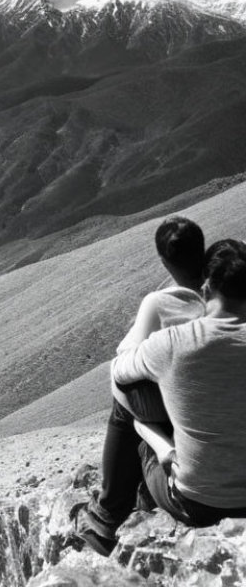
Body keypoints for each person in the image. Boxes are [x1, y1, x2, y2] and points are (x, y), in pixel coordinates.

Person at [74, 217, 207, 554]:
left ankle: (106, 518)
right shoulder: (225, 295)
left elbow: (126, 361)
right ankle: (142, 495)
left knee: (126, 402)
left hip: (198, 487)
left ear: (164, 261)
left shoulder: (159, 303)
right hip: (216, 411)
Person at [110, 239, 246, 527]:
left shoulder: (172, 343)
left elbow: (119, 372)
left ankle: (110, 517)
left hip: (197, 504)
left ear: (205, 290)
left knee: (129, 397)